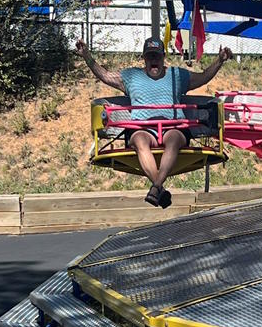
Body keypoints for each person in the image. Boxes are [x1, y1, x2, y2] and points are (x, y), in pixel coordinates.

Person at [76, 37, 233, 208]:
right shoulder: (130, 76)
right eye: (150, 56)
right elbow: (105, 75)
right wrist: (86, 56)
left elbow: (203, 77)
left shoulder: (177, 75)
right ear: (144, 58)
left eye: (157, 56)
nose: (154, 60)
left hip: (173, 126)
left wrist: (219, 61)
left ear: (163, 57)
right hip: (142, 127)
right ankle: (159, 188)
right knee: (140, 141)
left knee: (173, 140)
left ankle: (156, 187)